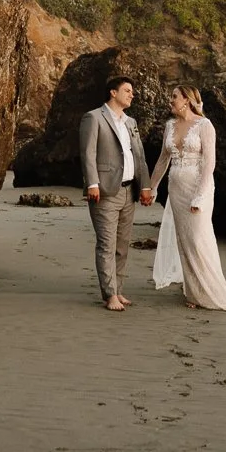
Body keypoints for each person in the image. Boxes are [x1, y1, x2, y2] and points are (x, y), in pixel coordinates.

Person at [149, 86, 226, 310]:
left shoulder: (204, 125)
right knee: (185, 240)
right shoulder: (170, 126)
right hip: (176, 189)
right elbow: (162, 160)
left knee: (199, 238)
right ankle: (193, 293)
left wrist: (200, 196)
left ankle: (212, 292)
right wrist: (152, 189)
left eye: (174, 97)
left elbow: (209, 163)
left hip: (199, 188)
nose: (170, 101)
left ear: (187, 100)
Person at [79, 74, 154, 312]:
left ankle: (118, 290)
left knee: (122, 245)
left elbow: (139, 156)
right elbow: (88, 153)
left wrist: (144, 186)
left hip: (129, 191)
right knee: (106, 245)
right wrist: (92, 183)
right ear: (113, 92)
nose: (132, 94)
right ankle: (109, 295)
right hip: (104, 190)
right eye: (127, 90)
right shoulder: (94, 117)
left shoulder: (130, 122)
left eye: (132, 91)